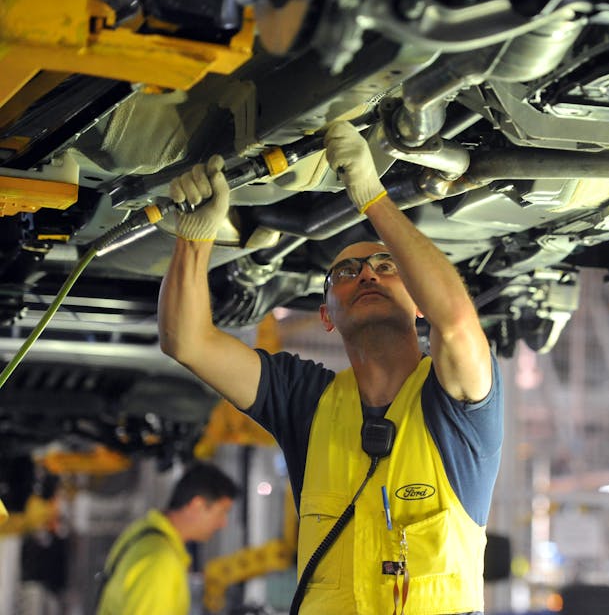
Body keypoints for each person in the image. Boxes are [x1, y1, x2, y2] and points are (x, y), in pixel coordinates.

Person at [158, 121, 504, 614]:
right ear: (326, 316)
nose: (367, 275)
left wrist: (373, 198)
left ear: (418, 301)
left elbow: (457, 322)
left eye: (386, 267)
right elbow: (187, 341)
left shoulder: (458, 406)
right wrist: (194, 236)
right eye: (346, 272)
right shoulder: (306, 402)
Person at [96, 462, 239, 615]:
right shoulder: (162, 561)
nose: (223, 523)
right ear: (197, 505)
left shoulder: (143, 533)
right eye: (222, 512)